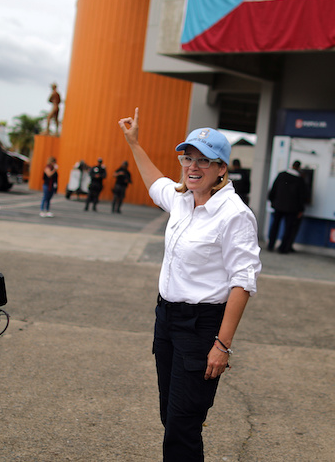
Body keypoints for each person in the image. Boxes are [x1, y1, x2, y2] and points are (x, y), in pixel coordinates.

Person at [117, 109, 261, 461]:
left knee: (183, 424)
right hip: (166, 320)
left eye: (205, 161)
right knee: (172, 416)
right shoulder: (183, 199)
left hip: (201, 327)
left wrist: (222, 344)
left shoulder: (234, 214)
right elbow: (154, 181)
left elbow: (242, 282)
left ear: (222, 168)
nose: (193, 167)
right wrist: (134, 143)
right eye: (188, 158)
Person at [267, 160, 307, 253]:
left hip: (278, 205)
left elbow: (273, 188)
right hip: (292, 208)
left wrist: (272, 201)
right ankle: (283, 248)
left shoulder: (281, 175)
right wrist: (301, 209)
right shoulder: (300, 180)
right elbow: (302, 196)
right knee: (288, 229)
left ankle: (271, 245)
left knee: (275, 226)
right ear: (299, 168)